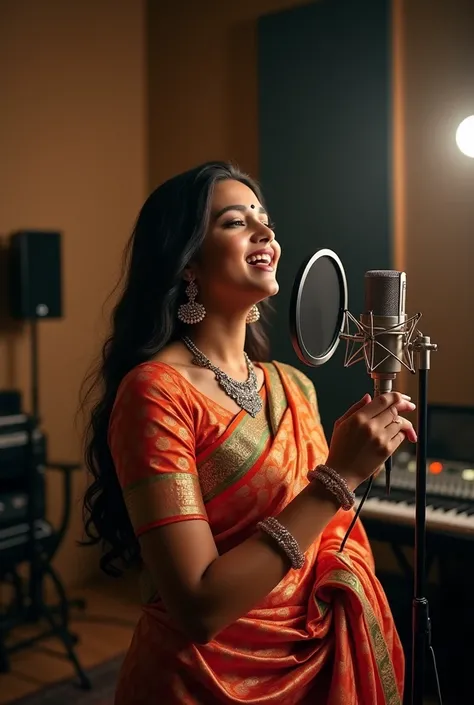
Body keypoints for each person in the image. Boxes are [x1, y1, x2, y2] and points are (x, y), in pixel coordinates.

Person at [80, 161, 416, 704]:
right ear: (187, 260)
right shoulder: (157, 392)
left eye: (265, 220)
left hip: (317, 664)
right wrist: (340, 476)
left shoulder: (293, 387)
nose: (266, 232)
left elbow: (328, 543)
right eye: (236, 222)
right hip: (199, 681)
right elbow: (198, 608)